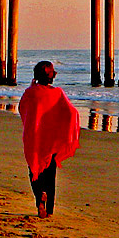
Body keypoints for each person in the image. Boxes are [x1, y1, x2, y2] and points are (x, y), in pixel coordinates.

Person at [18, 61, 80, 218]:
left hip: (34, 137)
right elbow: (72, 112)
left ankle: (40, 196)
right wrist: (67, 130)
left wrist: (32, 88)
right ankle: (49, 210)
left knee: (34, 169)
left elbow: (22, 108)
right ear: (50, 76)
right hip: (51, 139)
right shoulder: (57, 93)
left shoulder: (30, 93)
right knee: (50, 173)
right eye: (53, 72)